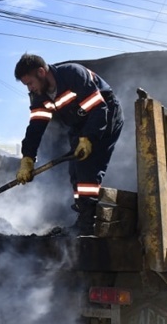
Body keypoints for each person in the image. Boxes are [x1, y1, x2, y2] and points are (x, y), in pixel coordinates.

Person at [13, 53, 124, 234]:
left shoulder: (72, 74)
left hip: (106, 114)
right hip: (79, 124)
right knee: (74, 170)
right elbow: (35, 128)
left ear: (41, 72)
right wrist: (27, 158)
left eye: (30, 83)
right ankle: (83, 217)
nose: (30, 89)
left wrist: (88, 138)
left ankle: (89, 223)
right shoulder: (40, 96)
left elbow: (99, 108)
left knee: (88, 166)